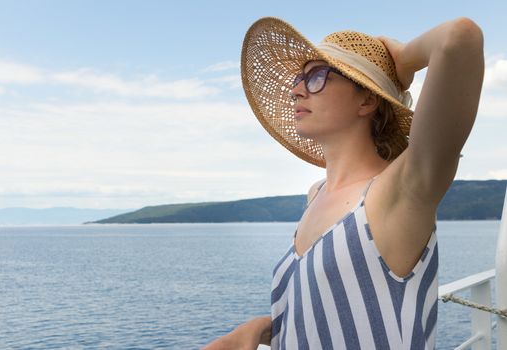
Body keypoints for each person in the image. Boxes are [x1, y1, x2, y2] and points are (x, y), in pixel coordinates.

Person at [204, 16, 484, 350]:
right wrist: (260, 328)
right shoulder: (316, 195)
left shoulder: (399, 191)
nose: (296, 90)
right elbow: (327, 306)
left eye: (317, 76)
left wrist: (404, 61)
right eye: (299, 78)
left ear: (367, 101)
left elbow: (459, 37)